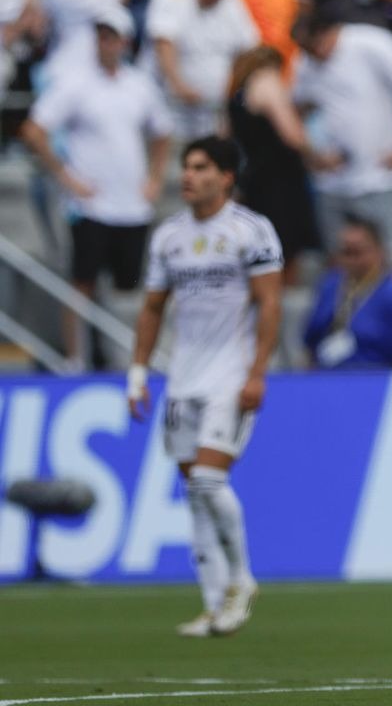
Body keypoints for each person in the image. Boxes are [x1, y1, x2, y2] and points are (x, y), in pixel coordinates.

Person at [127, 136, 283, 638]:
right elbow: (152, 307)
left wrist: (258, 371)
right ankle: (216, 605)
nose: (187, 176)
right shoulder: (167, 237)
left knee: (207, 483)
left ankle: (241, 580)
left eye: (200, 168)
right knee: (194, 494)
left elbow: (270, 303)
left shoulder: (250, 230)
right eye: (185, 167)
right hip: (182, 378)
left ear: (225, 177)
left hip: (230, 374)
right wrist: (137, 372)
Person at [21, 6, 173, 370]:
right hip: (91, 205)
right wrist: (66, 177)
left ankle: (128, 360)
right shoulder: (76, 82)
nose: (104, 43)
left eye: (110, 36)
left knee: (128, 290)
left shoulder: (139, 85)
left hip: (132, 206)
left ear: (123, 41)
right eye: (100, 36)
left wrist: (154, 178)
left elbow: (163, 132)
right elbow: (33, 129)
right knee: (82, 283)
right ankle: (77, 360)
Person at [292, 10, 392, 256]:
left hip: (379, 177)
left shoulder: (369, 43)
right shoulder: (306, 61)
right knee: (338, 263)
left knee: (389, 259)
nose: (311, 56)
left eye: (313, 47)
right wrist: (311, 155)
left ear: (329, 33)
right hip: (332, 183)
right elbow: (296, 110)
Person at [227, 45, 324, 282]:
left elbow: (227, 138)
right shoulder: (268, 82)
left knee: (261, 251)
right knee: (284, 250)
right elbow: (292, 135)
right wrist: (318, 158)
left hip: (254, 180)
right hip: (281, 181)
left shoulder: (237, 94)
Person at [142, 0, 260, 139]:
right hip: (171, 102)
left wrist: (236, 91)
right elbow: (164, 43)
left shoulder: (231, 1)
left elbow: (249, 49)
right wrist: (179, 85)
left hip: (213, 108)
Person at [303, 214, 392, 369]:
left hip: (376, 380)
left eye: (357, 252)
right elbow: (311, 341)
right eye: (346, 252)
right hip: (327, 377)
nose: (351, 260)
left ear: (379, 251)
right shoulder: (330, 285)